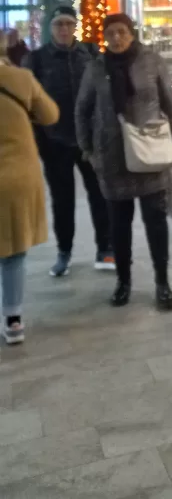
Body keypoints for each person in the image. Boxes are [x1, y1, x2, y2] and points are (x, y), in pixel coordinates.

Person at [75, 13, 172, 311]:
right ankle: (123, 282)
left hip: (151, 152)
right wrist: (87, 148)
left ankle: (162, 282)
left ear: (132, 33)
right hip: (112, 156)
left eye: (121, 32)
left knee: (155, 222)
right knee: (119, 225)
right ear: (104, 37)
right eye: (110, 33)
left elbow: (169, 103)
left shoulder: (151, 61)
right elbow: (82, 109)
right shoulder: (96, 68)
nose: (116, 38)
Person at [24, 6, 113, 278]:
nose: (64, 29)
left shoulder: (91, 54)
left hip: (90, 141)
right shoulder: (36, 59)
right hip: (55, 142)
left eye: (68, 24)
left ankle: (105, 248)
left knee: (100, 196)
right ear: (51, 28)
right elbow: (27, 103)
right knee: (62, 201)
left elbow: (105, 93)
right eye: (58, 24)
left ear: (76, 27)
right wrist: (37, 140)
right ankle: (64, 251)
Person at [0, 29, 60, 344]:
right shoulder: (21, 79)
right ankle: (13, 321)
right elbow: (50, 115)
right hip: (16, 177)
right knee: (12, 253)